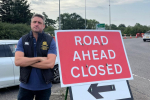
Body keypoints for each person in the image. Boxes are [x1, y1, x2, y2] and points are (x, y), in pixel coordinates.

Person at [15, 14, 57, 100]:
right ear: (31, 24)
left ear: (43, 26)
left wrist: (26, 62)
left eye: (39, 22)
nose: (36, 24)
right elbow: (18, 62)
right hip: (25, 86)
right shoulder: (22, 40)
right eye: (34, 22)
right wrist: (39, 58)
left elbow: (50, 64)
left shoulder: (50, 40)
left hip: (44, 87)